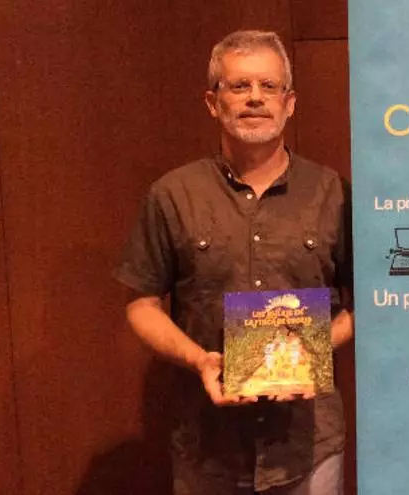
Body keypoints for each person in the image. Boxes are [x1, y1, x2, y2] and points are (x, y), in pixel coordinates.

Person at [114, 30, 353, 494]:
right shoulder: (173, 195)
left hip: (309, 448)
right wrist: (199, 359)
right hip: (207, 449)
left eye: (269, 86)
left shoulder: (334, 194)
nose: (255, 98)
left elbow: (366, 303)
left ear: (289, 102)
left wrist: (312, 350)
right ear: (213, 102)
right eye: (239, 86)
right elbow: (141, 303)